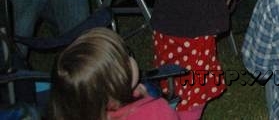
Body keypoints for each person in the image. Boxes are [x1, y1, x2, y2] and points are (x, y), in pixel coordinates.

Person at [48, 27, 184, 120]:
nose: (131, 58)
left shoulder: (84, 111)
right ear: (116, 83)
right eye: (126, 56)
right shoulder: (155, 111)